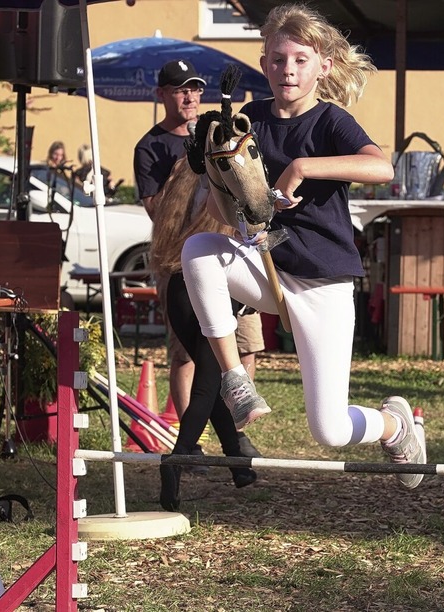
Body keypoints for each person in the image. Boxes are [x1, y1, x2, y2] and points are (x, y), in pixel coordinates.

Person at [180, 3, 426, 489]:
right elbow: (222, 212)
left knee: (329, 429)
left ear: (323, 66)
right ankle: (236, 380)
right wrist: (213, 175)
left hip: (323, 284)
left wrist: (302, 167)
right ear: (264, 62)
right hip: (268, 268)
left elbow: (382, 169)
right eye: (276, 59)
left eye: (298, 59)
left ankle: (397, 425)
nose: (286, 70)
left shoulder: (330, 122)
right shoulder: (248, 119)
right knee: (198, 250)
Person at [133, 60, 262, 490]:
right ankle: (183, 453)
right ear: (162, 95)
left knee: (237, 357)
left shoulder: (222, 151)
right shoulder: (156, 150)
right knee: (201, 367)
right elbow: (160, 213)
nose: (189, 96)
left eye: (194, 89)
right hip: (186, 274)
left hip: (233, 271)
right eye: (180, 89)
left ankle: (238, 461)